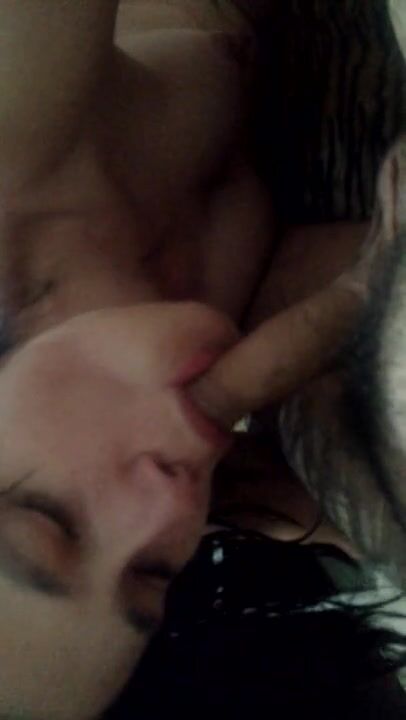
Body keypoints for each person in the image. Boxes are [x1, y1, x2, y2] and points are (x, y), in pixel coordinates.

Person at [0, 1, 404, 718]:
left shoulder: (16, 138)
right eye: (150, 576)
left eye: (48, 523)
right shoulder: (234, 459)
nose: (168, 508)